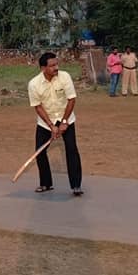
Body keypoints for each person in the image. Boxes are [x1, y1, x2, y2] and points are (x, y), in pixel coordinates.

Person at [28, 52, 83, 196]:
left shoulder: (65, 77)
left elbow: (71, 99)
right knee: (40, 152)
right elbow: (38, 107)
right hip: (46, 122)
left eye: (56, 64)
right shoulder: (34, 84)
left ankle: (76, 185)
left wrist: (64, 122)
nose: (56, 68)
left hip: (66, 119)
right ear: (43, 68)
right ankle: (46, 183)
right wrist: (51, 126)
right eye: (52, 66)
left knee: (71, 149)